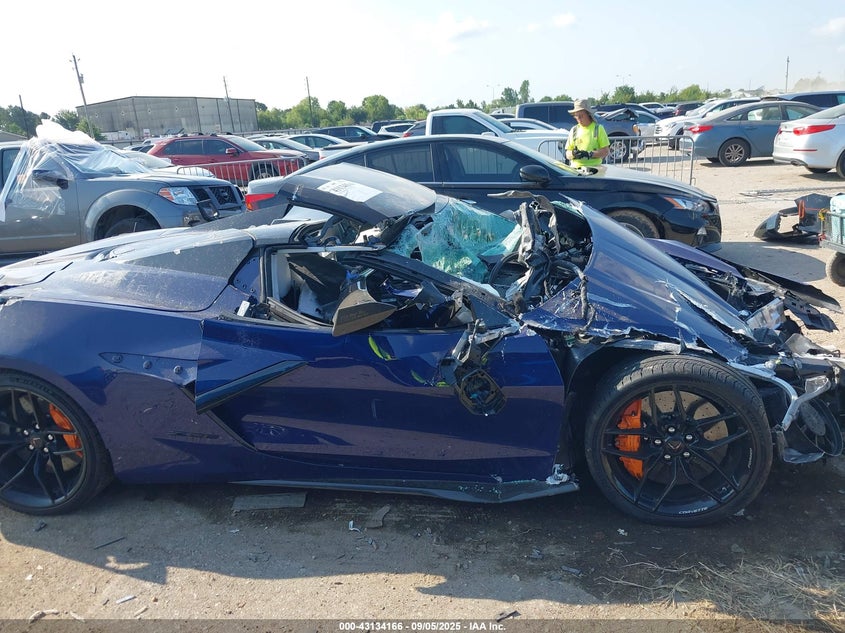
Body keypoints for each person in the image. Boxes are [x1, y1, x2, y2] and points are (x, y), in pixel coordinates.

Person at [565, 100, 610, 168]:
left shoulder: (598, 128)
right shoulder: (574, 130)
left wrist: (589, 154)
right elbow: (567, 154)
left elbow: (605, 151)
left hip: (595, 169)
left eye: (581, 115)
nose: (578, 118)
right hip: (575, 169)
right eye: (576, 116)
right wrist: (573, 154)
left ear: (588, 114)